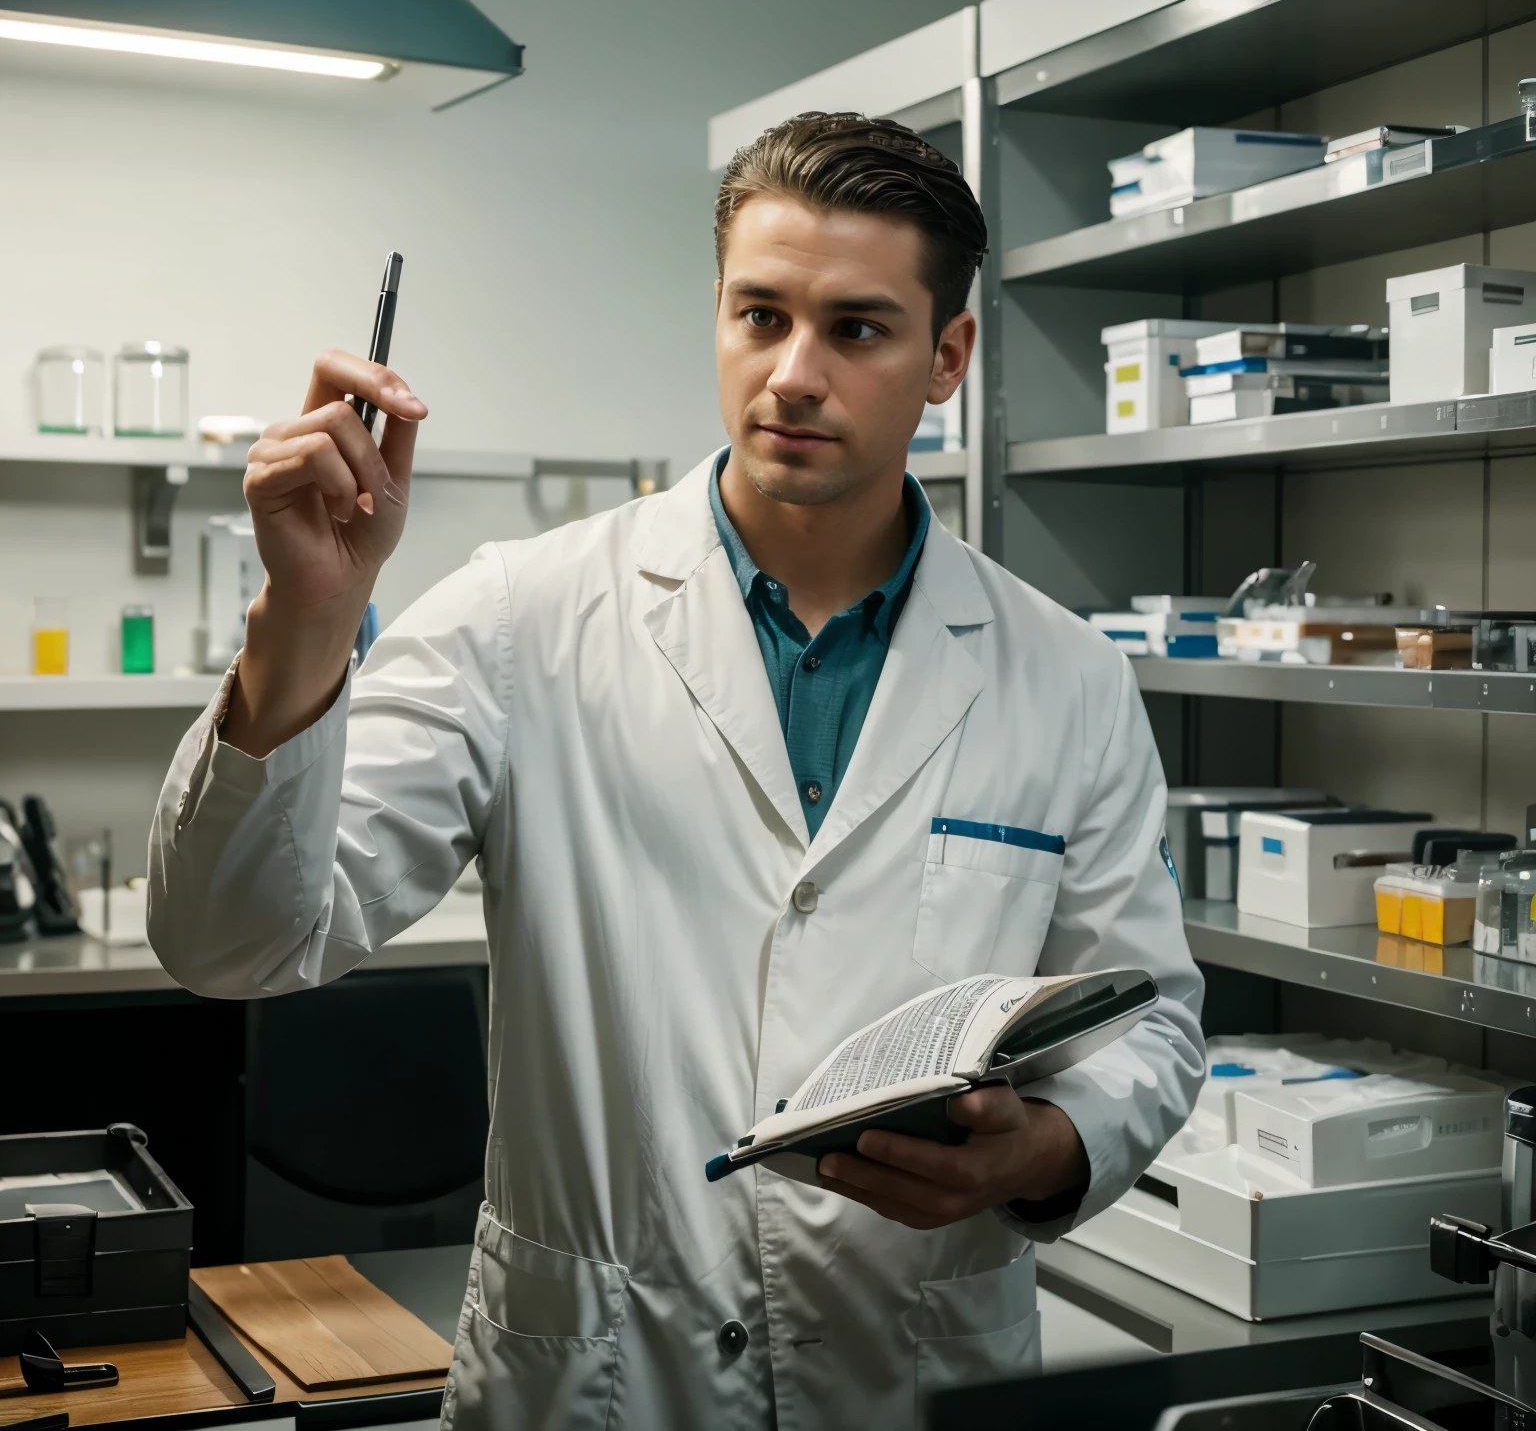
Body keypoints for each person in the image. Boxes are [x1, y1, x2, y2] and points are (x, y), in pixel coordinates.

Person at [149, 111, 1203, 1431]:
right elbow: (231, 945)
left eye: (857, 329)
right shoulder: (519, 617)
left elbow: (1152, 1019)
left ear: (949, 358)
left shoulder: (1064, 676)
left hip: (913, 1368)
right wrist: (299, 620)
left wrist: (1047, 1150)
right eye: (760, 316)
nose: (794, 374)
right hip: (600, 1377)